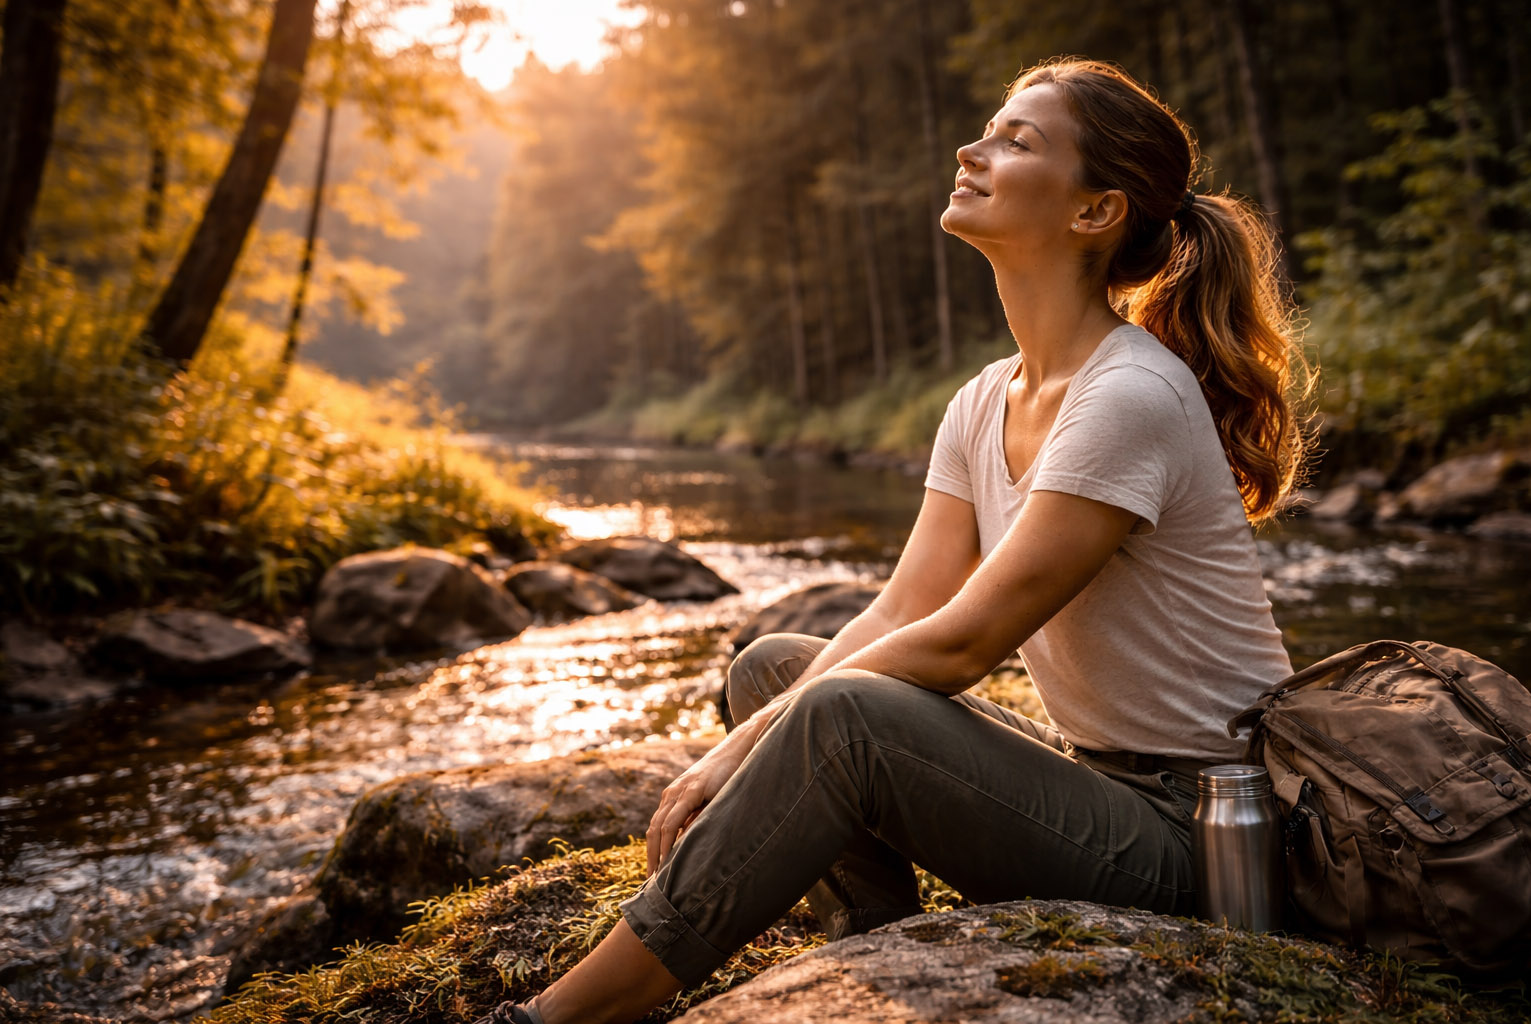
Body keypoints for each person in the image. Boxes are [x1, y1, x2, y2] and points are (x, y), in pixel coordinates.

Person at [476, 55, 1311, 1024]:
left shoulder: (1129, 393)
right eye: (990, 129)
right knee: (775, 667)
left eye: (1018, 140)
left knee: (837, 715)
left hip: (1200, 839)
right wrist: (765, 720)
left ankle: (559, 1016)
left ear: (1095, 211)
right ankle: (870, 945)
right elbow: (904, 605)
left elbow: (963, 643)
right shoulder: (984, 398)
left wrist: (729, 757)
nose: (972, 148)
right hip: (1105, 783)